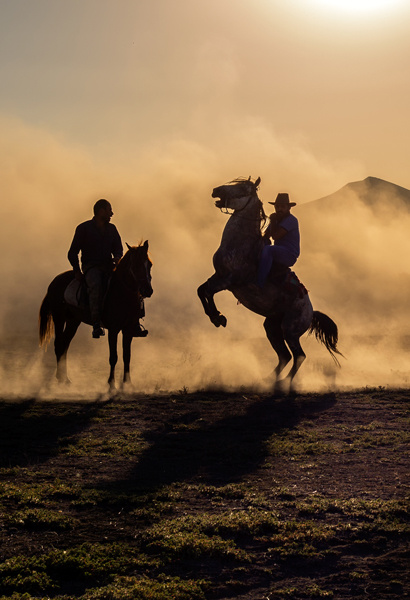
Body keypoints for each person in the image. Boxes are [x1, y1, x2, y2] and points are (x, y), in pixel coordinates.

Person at [68, 199, 147, 339]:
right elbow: (72, 252)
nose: (112, 213)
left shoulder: (112, 229)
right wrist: (77, 271)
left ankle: (135, 322)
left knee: (131, 283)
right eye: (109, 210)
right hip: (91, 267)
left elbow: (118, 247)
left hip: (108, 266)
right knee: (96, 285)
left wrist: (117, 257)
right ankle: (96, 323)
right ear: (101, 211)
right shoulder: (83, 228)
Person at [257, 193, 300, 287]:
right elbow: (266, 235)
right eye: (277, 206)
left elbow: (275, 236)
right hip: (279, 250)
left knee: (269, 249)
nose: (279, 209)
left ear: (288, 208)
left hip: (289, 254)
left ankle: (259, 283)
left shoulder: (291, 220)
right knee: (261, 245)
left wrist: (272, 222)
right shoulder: (275, 219)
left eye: (282, 207)